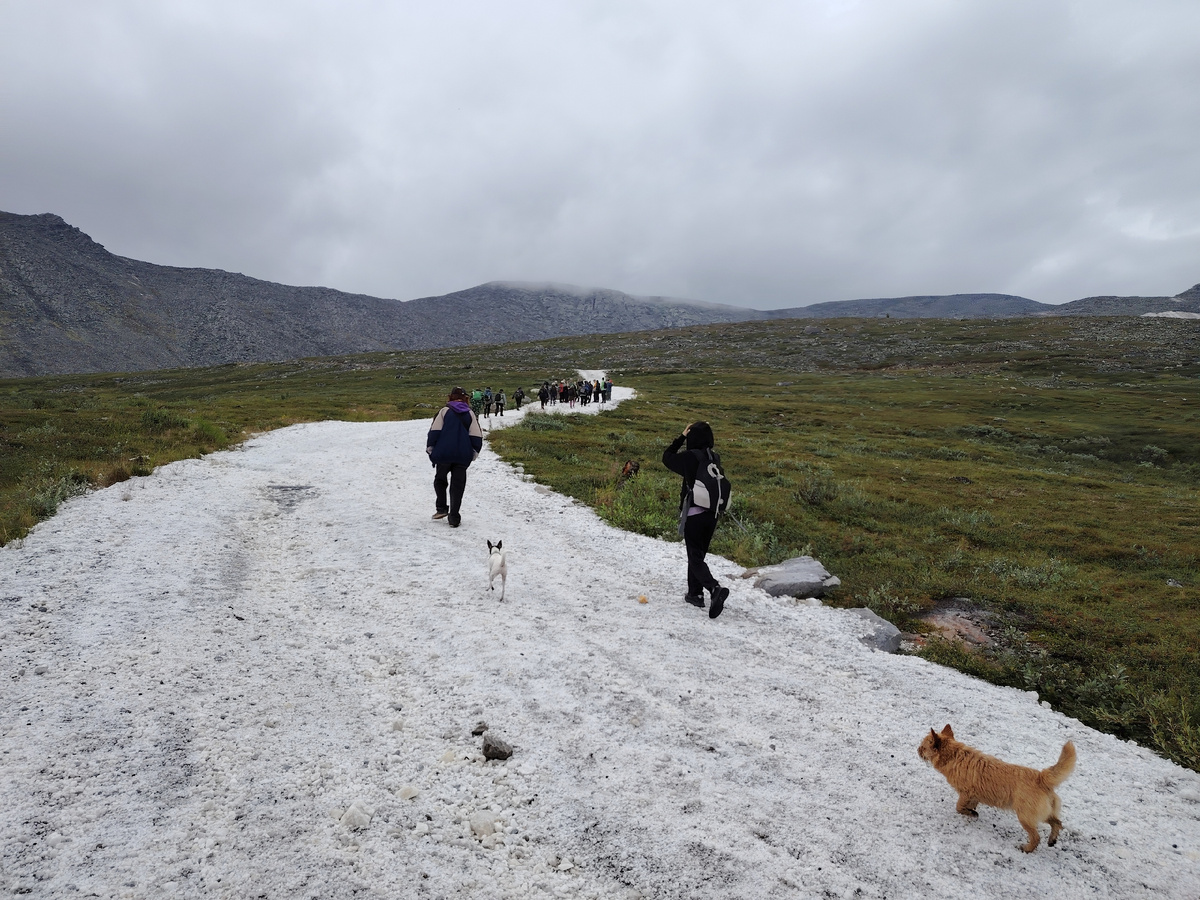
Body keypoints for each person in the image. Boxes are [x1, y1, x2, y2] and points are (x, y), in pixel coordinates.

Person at [662, 421, 730, 618]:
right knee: (698, 556)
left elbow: (667, 458)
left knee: (694, 556)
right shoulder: (714, 457)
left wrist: (681, 437)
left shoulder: (690, 457)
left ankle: (714, 589)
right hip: (712, 515)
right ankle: (695, 594)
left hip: (695, 513)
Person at [426, 387, 484, 528]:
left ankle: (441, 508)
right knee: (457, 486)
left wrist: (431, 449)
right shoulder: (470, 414)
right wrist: (474, 452)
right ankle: (454, 517)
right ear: (465, 398)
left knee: (440, 480)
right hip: (462, 455)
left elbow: (434, 431)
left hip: (444, 453)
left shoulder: (444, 412)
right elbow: (476, 435)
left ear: (450, 397)